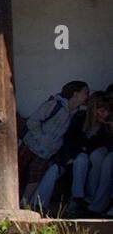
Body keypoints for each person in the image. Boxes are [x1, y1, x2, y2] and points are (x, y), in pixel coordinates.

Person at [19, 81, 90, 211]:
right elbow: (33, 121)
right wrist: (42, 138)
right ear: (75, 94)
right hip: (30, 145)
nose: (87, 95)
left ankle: (23, 204)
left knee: (35, 178)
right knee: (19, 172)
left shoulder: (76, 114)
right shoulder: (54, 105)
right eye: (85, 92)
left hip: (46, 152)